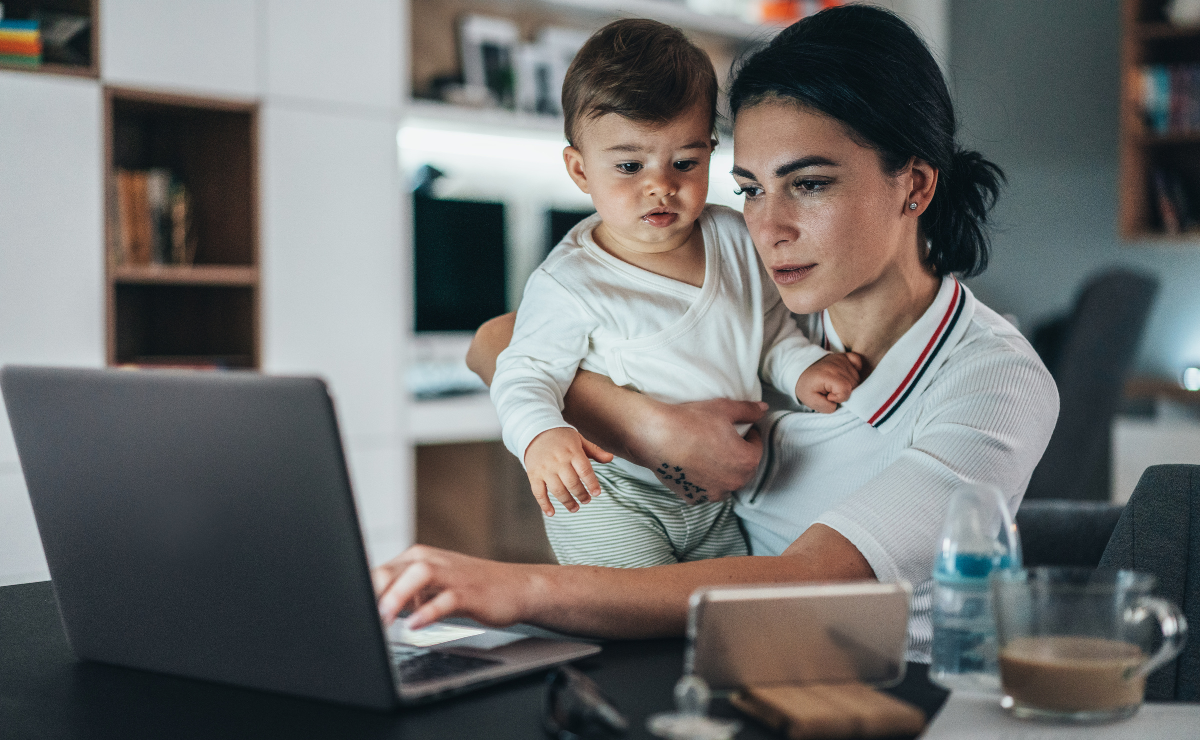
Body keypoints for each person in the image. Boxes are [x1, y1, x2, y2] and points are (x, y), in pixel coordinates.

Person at [374, 5, 1058, 660]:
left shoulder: (994, 380)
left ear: (913, 186)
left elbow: (818, 577)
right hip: (718, 673)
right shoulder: (772, 295)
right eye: (752, 189)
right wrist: (647, 427)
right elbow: (495, 340)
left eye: (810, 184)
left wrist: (517, 587)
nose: (768, 227)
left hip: (876, 695)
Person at [493, 19, 861, 569]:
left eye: (685, 163)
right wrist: (541, 436)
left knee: (719, 621)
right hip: (614, 495)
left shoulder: (734, 237)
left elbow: (767, 329)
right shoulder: (568, 282)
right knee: (630, 619)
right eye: (628, 165)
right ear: (579, 169)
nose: (660, 185)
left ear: (711, 152)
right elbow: (523, 373)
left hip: (715, 504)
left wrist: (802, 369)